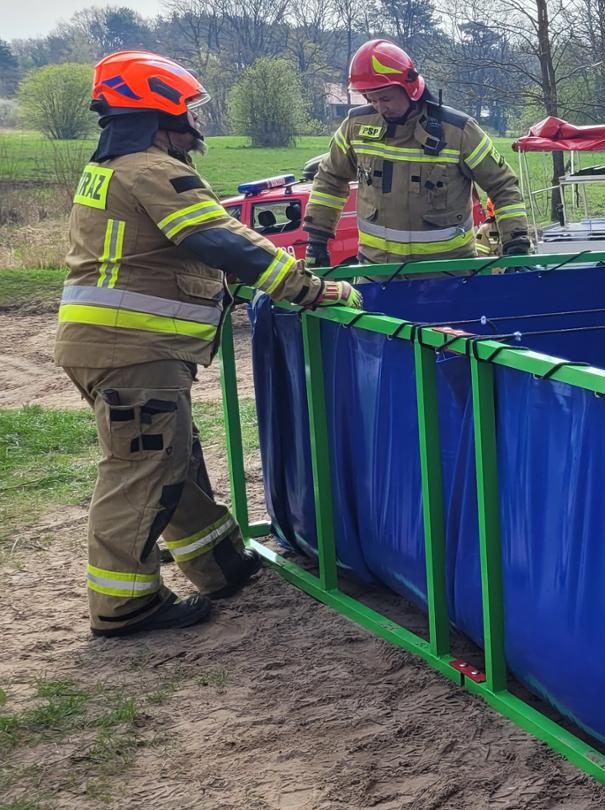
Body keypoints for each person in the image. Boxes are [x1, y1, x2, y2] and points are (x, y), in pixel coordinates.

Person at [58, 51, 360, 637]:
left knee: (174, 459)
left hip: (118, 347)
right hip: (135, 350)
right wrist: (309, 289)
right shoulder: (151, 170)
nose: (198, 121)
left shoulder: (116, 169)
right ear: (159, 111)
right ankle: (125, 606)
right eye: (190, 109)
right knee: (141, 471)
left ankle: (219, 565)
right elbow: (224, 242)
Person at [303, 39, 531, 266]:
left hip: (447, 275)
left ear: (409, 89)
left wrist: (516, 242)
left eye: (385, 98)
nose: (380, 107)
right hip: (377, 272)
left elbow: (503, 186)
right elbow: (330, 179)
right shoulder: (355, 126)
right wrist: (317, 239)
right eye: (370, 99)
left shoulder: (459, 132)